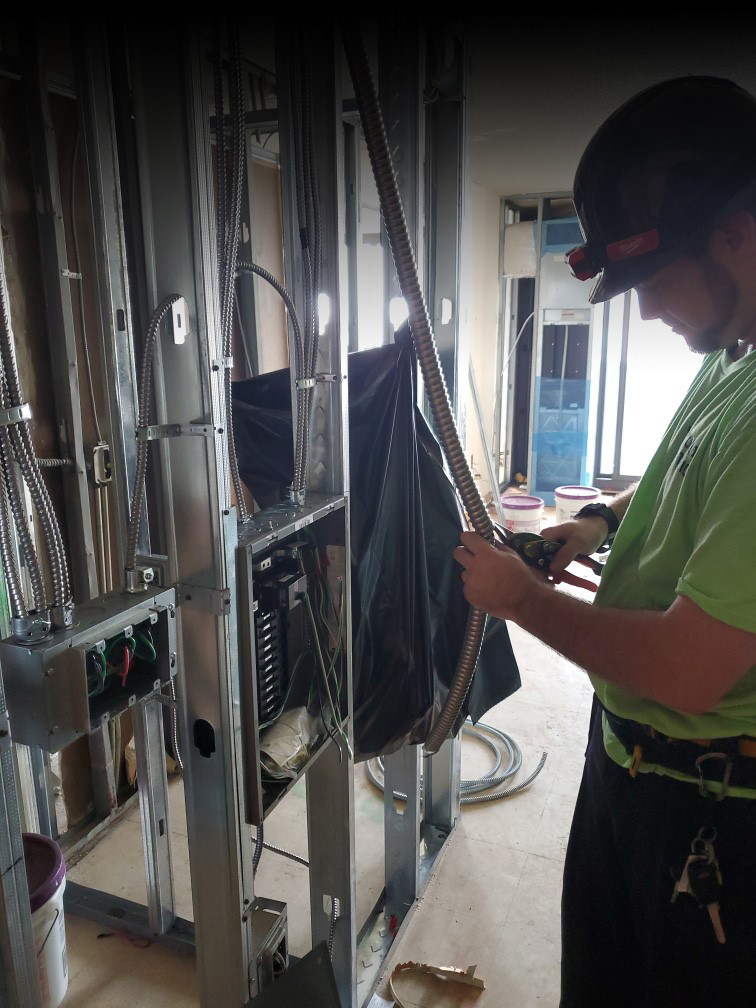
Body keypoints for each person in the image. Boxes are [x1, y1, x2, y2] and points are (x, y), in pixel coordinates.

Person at [455, 76, 756, 1008]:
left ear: (740, 233)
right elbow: (677, 480)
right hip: (634, 765)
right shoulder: (734, 360)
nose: (645, 311)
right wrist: (598, 522)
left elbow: (689, 669)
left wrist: (523, 603)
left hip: (711, 814)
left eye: (650, 279)